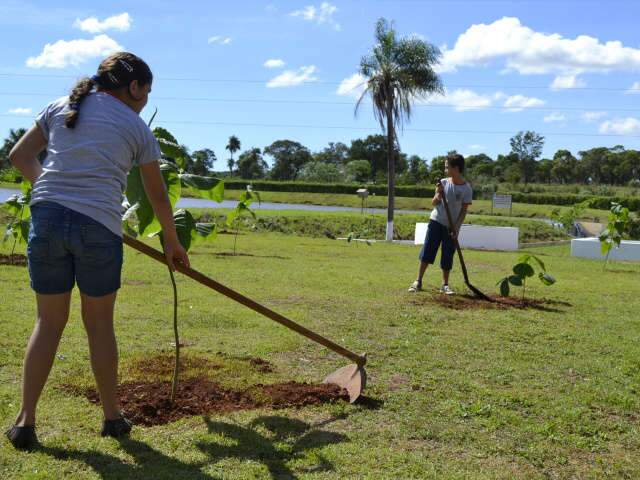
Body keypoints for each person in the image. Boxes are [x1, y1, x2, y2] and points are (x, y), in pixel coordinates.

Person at [5, 52, 189, 450]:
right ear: (135, 87)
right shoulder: (135, 126)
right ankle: (112, 418)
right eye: (147, 92)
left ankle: (25, 422)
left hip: (47, 221)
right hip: (98, 229)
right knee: (99, 325)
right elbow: (157, 194)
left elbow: (19, 156)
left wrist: (49, 190)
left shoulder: (61, 107)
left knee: (48, 322)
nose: (145, 100)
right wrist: (173, 243)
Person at [408, 153, 472, 294]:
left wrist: (456, 227)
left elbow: (463, 211)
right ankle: (418, 281)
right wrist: (438, 194)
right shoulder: (443, 183)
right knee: (428, 250)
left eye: (447, 167)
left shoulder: (466, 189)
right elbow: (434, 203)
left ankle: (445, 285)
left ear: (456, 168)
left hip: (451, 227)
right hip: (436, 221)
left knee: (448, 254)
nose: (445, 170)